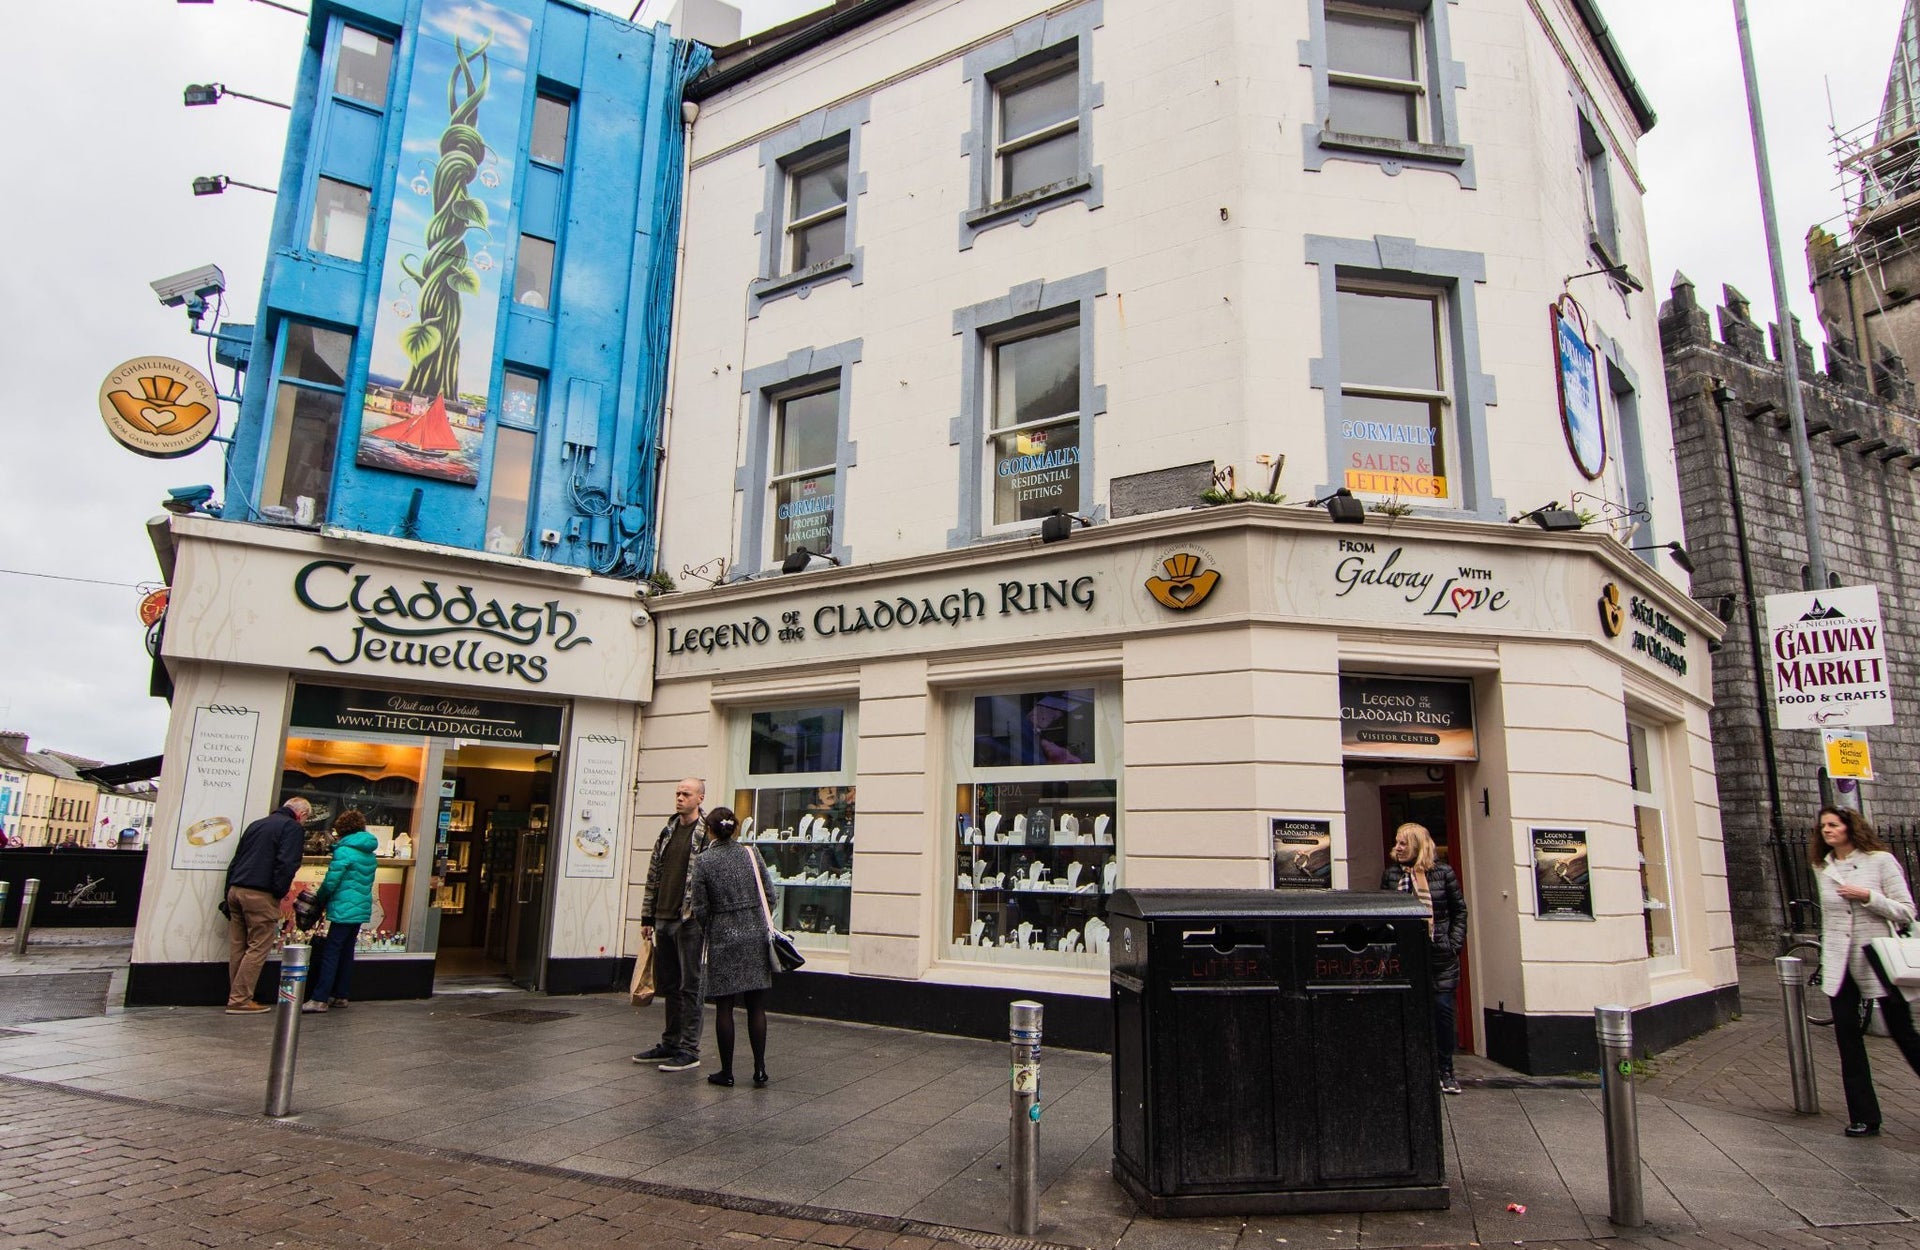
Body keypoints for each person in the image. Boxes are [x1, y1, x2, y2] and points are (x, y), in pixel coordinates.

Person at [1811, 806, 1920, 1137]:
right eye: (1823, 827)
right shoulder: (1823, 867)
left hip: (1878, 956)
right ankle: (1864, 1116)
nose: (1826, 831)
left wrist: (1868, 896)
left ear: (1849, 827)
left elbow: (1907, 911)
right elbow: (1830, 918)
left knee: (1903, 1032)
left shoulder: (1880, 861)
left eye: (1833, 825)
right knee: (1847, 1037)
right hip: (1840, 961)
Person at [688, 806, 777, 1087]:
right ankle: (760, 1069)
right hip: (754, 933)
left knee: (725, 1006)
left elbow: (699, 907)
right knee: (756, 1007)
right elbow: (770, 895)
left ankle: (727, 1072)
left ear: (710, 830)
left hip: (723, 936)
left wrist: (713, 927)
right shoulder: (751, 854)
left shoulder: (703, 861)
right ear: (735, 828)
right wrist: (757, 919)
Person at [1382, 822, 1469, 1095]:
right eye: (1397, 842)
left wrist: (1453, 944)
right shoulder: (1392, 875)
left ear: (1418, 845)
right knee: (1406, 1012)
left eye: (1403, 843)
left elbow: (1459, 912)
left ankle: (1446, 1070)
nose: (1397, 847)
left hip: (1440, 956)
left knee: (1442, 1011)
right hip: (1405, 955)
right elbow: (1383, 913)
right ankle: (1413, 1068)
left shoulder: (1443, 873)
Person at [633, 778, 709, 1072]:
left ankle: (690, 1048)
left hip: (689, 920)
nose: (679, 798)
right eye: (677, 793)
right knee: (670, 985)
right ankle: (670, 1042)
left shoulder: (705, 835)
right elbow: (654, 873)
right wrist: (647, 917)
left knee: (691, 984)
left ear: (700, 798)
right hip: (662, 918)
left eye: (686, 794)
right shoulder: (668, 830)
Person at [223, 795, 310, 1014]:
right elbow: (287, 863)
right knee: (258, 946)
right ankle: (240, 999)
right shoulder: (292, 828)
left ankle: (237, 995)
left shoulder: (257, 824)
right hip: (260, 893)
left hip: (236, 889)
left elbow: (236, 860)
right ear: (302, 814)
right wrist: (278, 893)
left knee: (238, 946)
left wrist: (228, 893)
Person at [302, 809, 378, 1015]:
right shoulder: (369, 852)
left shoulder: (344, 851)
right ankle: (341, 994)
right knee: (346, 951)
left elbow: (332, 881)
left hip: (343, 907)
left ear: (342, 829)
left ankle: (319, 998)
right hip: (360, 907)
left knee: (332, 951)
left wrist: (320, 898)